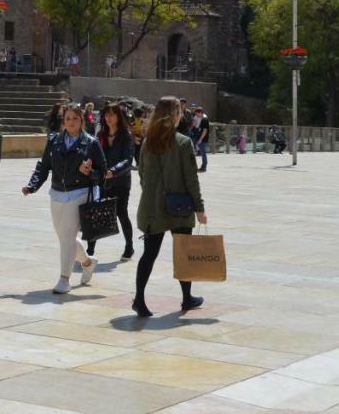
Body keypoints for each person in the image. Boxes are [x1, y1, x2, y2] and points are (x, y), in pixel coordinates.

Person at [133, 95, 208, 317]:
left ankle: (139, 299)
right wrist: (199, 208)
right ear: (174, 115)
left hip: (152, 207)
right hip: (180, 206)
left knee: (149, 254)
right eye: (179, 112)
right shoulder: (183, 142)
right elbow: (191, 179)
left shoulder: (147, 142)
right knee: (183, 252)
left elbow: (142, 174)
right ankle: (187, 298)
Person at [22, 105, 107, 294]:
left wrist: (89, 172)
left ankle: (64, 279)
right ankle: (87, 262)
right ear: (63, 121)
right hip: (57, 193)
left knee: (67, 236)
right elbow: (43, 167)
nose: (71, 122)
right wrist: (32, 186)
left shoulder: (91, 143)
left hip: (79, 193)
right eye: (67, 118)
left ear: (81, 121)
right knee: (64, 238)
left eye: (75, 118)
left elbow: (102, 173)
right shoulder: (54, 141)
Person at [87, 102, 136, 261]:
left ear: (118, 116)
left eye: (112, 114)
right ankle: (90, 250)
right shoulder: (100, 135)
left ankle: (129, 246)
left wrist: (113, 171)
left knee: (121, 213)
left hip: (121, 181)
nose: (109, 118)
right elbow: (94, 156)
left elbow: (128, 160)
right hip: (102, 180)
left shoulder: (126, 135)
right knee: (96, 213)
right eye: (106, 114)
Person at [191, 106, 210, 172]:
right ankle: (203, 166)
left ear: (200, 113)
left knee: (203, 153)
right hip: (202, 138)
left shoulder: (204, 119)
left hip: (203, 139)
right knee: (202, 152)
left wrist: (200, 139)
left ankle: (204, 166)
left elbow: (205, 131)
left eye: (197, 114)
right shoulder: (202, 119)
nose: (196, 115)